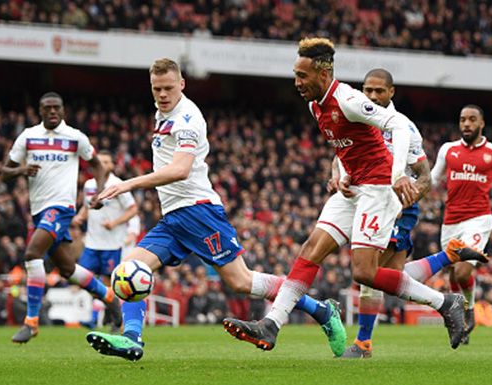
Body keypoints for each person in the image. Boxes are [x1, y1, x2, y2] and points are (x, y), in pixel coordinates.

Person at [85, 58, 346, 362]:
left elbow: (181, 169)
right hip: (173, 218)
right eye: (157, 89)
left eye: (169, 88)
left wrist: (128, 184)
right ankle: (131, 339)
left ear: (182, 84)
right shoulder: (162, 113)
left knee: (241, 282)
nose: (163, 94)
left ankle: (322, 310)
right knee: (127, 269)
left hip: (199, 212)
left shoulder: (187, 118)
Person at [223, 38, 474, 352]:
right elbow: (346, 145)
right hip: (353, 189)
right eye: (295, 74)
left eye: (302, 75)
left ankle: (445, 302)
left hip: (380, 188)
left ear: (324, 74)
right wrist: (340, 171)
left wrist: (397, 175)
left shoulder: (349, 99)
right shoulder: (315, 105)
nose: (296, 82)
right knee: (311, 248)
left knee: (364, 272)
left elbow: (396, 125)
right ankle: (272, 324)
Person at [338, 69, 487, 358]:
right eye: (367, 90)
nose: (372, 96)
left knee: (370, 274)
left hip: (395, 207)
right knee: (391, 277)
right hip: (367, 203)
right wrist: (338, 175)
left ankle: (363, 343)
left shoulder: (404, 127)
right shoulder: (357, 119)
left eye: (379, 91)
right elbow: (341, 156)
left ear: (391, 92)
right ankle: (450, 256)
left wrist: (400, 205)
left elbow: (425, 177)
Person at [1, 91, 122, 343]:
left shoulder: (75, 137)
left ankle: (31, 323)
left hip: (62, 208)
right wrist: (23, 170)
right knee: (67, 269)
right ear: (40, 110)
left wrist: (98, 192)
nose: (52, 112)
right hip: (39, 211)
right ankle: (110, 298)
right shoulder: (28, 136)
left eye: (57, 107)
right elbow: (5, 172)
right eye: (47, 108)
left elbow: (97, 164)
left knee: (32, 254)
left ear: (63, 110)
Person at [430, 104, 492, 344]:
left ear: (481, 123)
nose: (467, 124)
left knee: (462, 270)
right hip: (450, 221)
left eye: (472, 119)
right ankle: (459, 318)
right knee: (452, 273)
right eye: (463, 120)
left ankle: (469, 310)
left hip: (478, 220)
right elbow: (432, 179)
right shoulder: (448, 150)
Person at [72, 149, 138, 330]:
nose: (102, 165)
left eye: (106, 162)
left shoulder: (118, 185)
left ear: (112, 165)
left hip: (112, 244)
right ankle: (108, 310)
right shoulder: (89, 185)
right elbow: (87, 206)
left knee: (110, 284)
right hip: (92, 242)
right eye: (99, 161)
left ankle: (103, 317)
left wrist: (115, 222)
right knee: (82, 279)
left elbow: (133, 209)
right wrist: (80, 217)